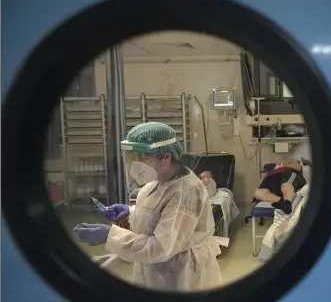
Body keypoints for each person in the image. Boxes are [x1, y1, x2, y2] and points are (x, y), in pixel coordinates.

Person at [73, 122, 222, 292]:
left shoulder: (186, 193)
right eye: (131, 158)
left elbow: (161, 246)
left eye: (142, 158)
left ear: (166, 157)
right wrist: (130, 212)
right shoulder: (155, 183)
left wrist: (110, 236)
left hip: (181, 275)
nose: (135, 165)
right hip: (156, 271)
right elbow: (163, 217)